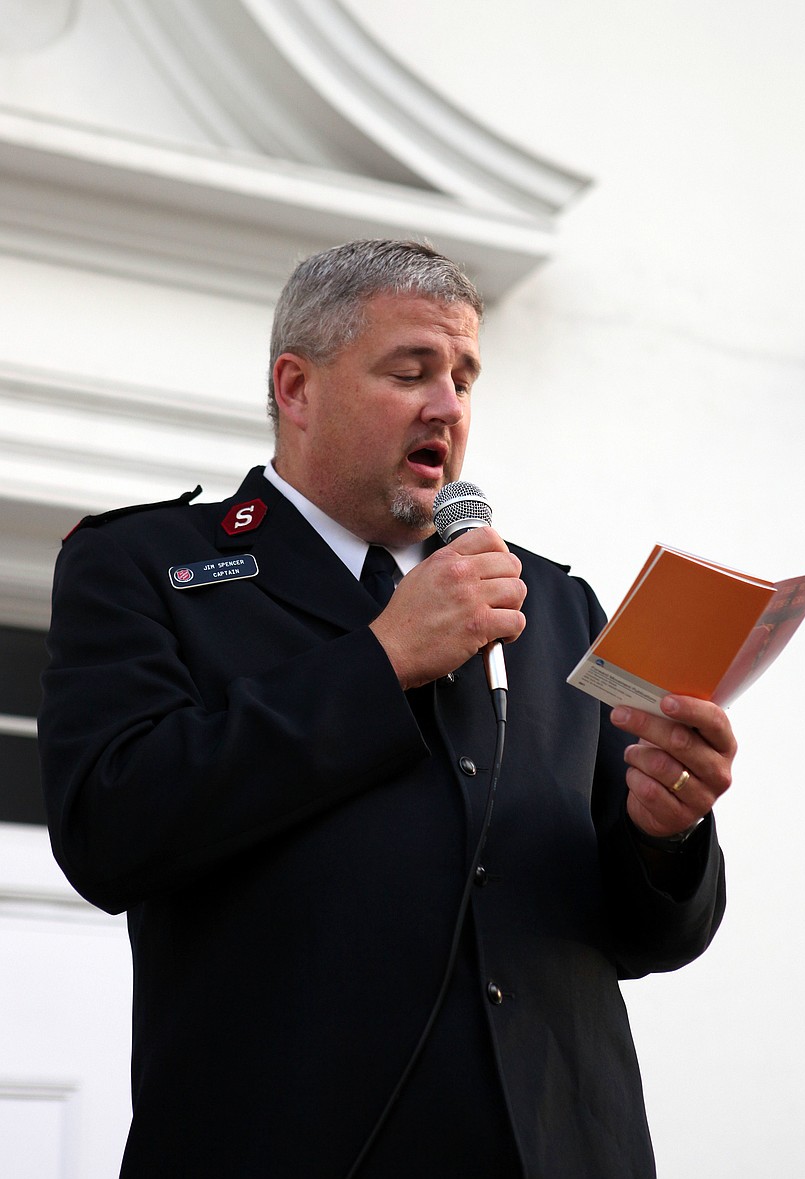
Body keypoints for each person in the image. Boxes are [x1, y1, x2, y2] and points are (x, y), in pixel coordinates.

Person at [39, 239, 735, 1179]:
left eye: (464, 376)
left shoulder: (555, 605)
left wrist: (667, 833)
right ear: (297, 387)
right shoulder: (147, 567)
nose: (447, 405)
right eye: (411, 371)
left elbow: (650, 936)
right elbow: (107, 828)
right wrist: (383, 658)